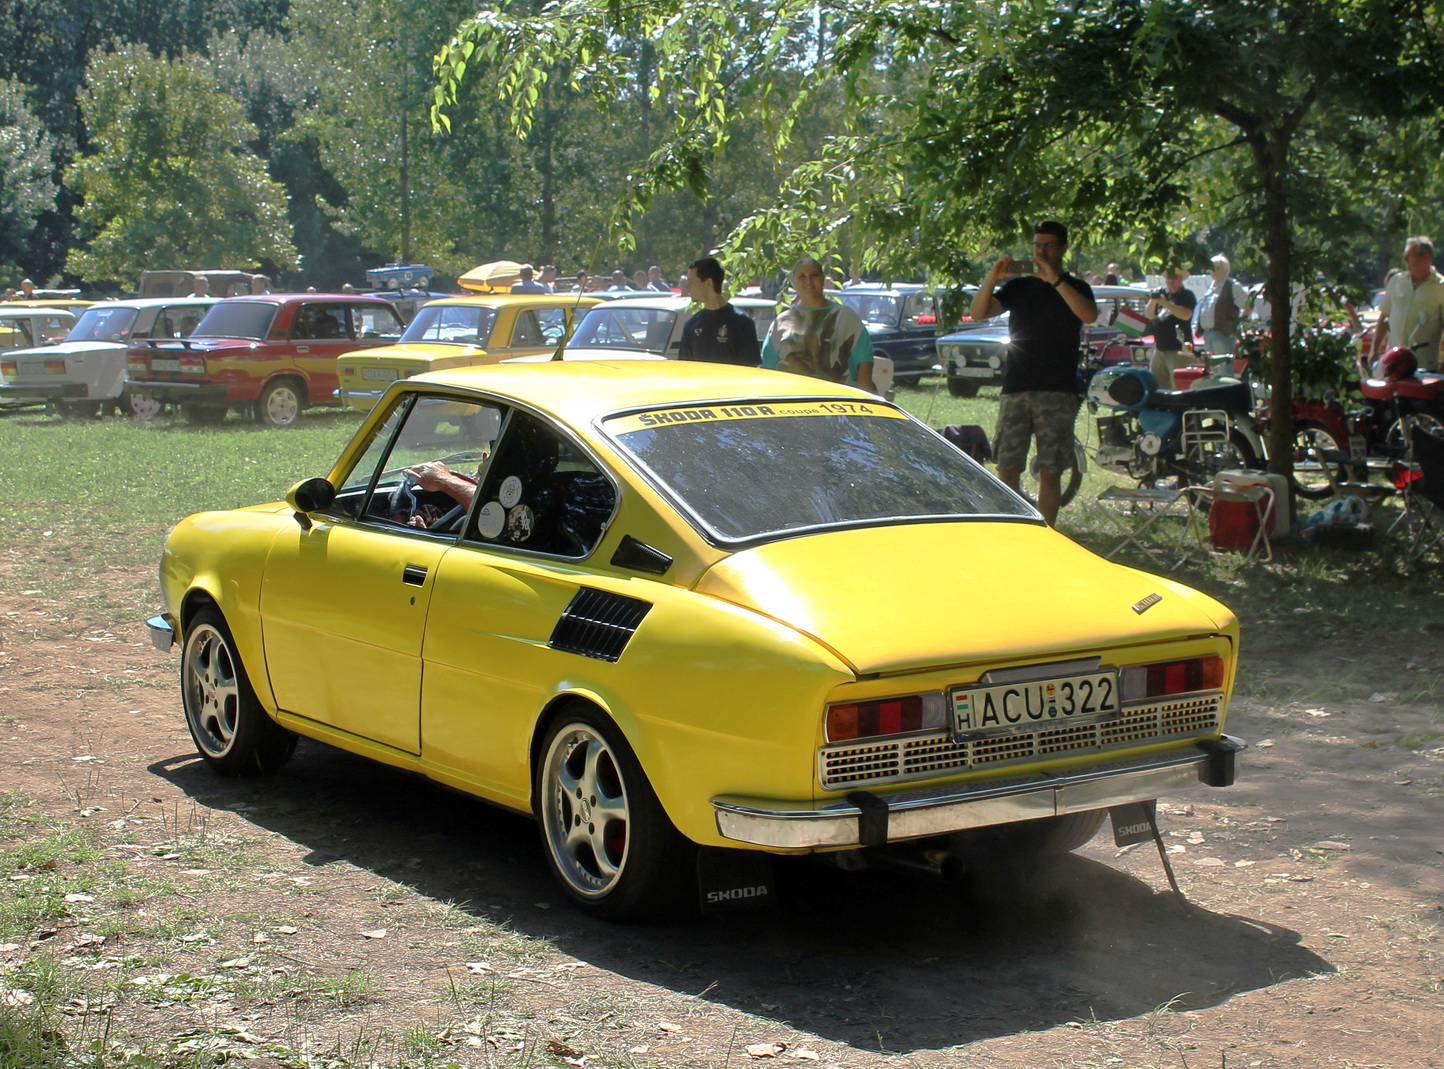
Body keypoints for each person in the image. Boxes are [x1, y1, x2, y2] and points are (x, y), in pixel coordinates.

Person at [969, 220, 1097, 527]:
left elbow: (1089, 315)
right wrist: (993, 276)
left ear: (1063, 248)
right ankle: (1015, 530)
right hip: (1017, 386)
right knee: (1007, 467)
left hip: (1058, 389)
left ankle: (1048, 534)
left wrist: (1055, 280)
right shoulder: (1019, 286)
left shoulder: (1076, 287)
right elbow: (978, 312)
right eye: (1037, 245)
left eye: (1049, 245)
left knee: (1050, 471)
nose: (1041, 251)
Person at [761, 257, 875, 392]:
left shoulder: (846, 318)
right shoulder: (781, 323)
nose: (809, 281)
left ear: (823, 279)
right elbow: (769, 374)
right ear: (793, 282)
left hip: (840, 406)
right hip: (794, 407)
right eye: (802, 276)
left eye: (814, 275)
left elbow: (865, 369)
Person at [1373, 236, 1444, 372]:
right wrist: (1374, 351)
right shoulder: (1396, 281)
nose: (1405, 260)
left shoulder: (1441, 287)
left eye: (1408, 256)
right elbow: (1383, 317)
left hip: (1423, 365)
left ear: (1426, 258)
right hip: (1392, 363)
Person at [678, 257, 761, 366]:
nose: (687, 287)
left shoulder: (742, 323)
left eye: (691, 282)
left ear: (708, 282)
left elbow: (750, 371)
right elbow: (685, 369)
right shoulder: (692, 325)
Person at [1145, 268, 1196, 386]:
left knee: (1178, 384)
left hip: (1178, 349)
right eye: (1168, 278)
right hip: (1160, 347)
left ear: (1181, 279)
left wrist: (1166, 304)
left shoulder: (1186, 295)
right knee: (1158, 383)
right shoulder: (1164, 295)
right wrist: (1153, 299)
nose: (1171, 281)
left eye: (1175, 277)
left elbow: (1186, 315)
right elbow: (1149, 315)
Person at [1195, 254, 1246, 356]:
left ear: (1226, 270)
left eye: (1217, 268)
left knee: (1224, 367)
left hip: (1223, 333)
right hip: (1207, 333)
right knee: (1214, 368)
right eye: (1212, 268)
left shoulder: (1233, 286)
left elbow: (1248, 304)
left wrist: (1236, 326)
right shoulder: (1211, 286)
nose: (1214, 271)